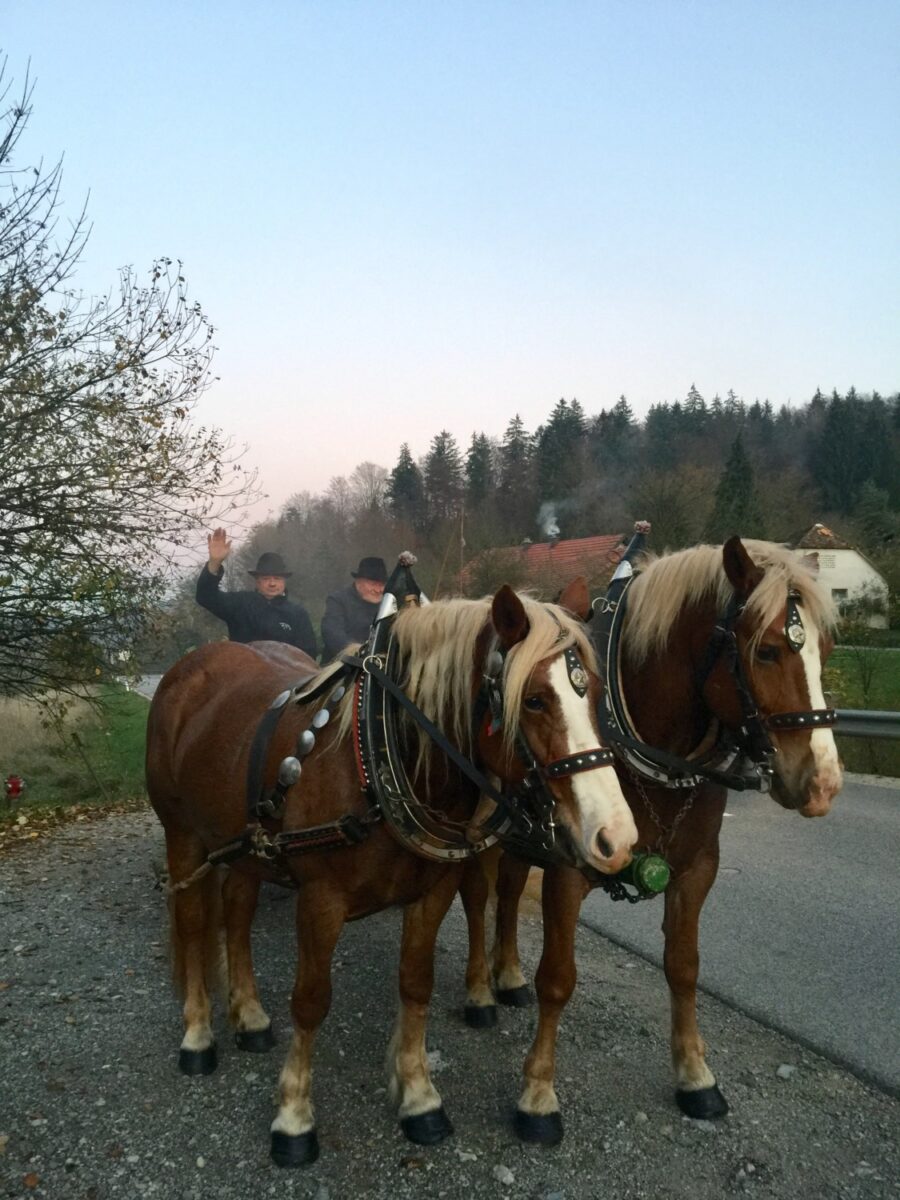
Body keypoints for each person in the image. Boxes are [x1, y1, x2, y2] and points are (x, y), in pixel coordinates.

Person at [195, 528, 317, 656]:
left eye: (277, 578)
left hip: (286, 674)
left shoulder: (297, 613)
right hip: (244, 672)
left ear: (284, 582)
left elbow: (308, 654)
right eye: (266, 578)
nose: (272, 583)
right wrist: (214, 563)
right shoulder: (240, 604)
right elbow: (205, 597)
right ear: (257, 582)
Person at [320, 556, 388, 661]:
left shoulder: (388, 606)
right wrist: (359, 653)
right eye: (373, 584)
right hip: (341, 665)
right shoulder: (338, 600)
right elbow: (332, 634)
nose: (378, 590)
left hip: (380, 665)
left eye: (382, 585)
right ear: (359, 582)